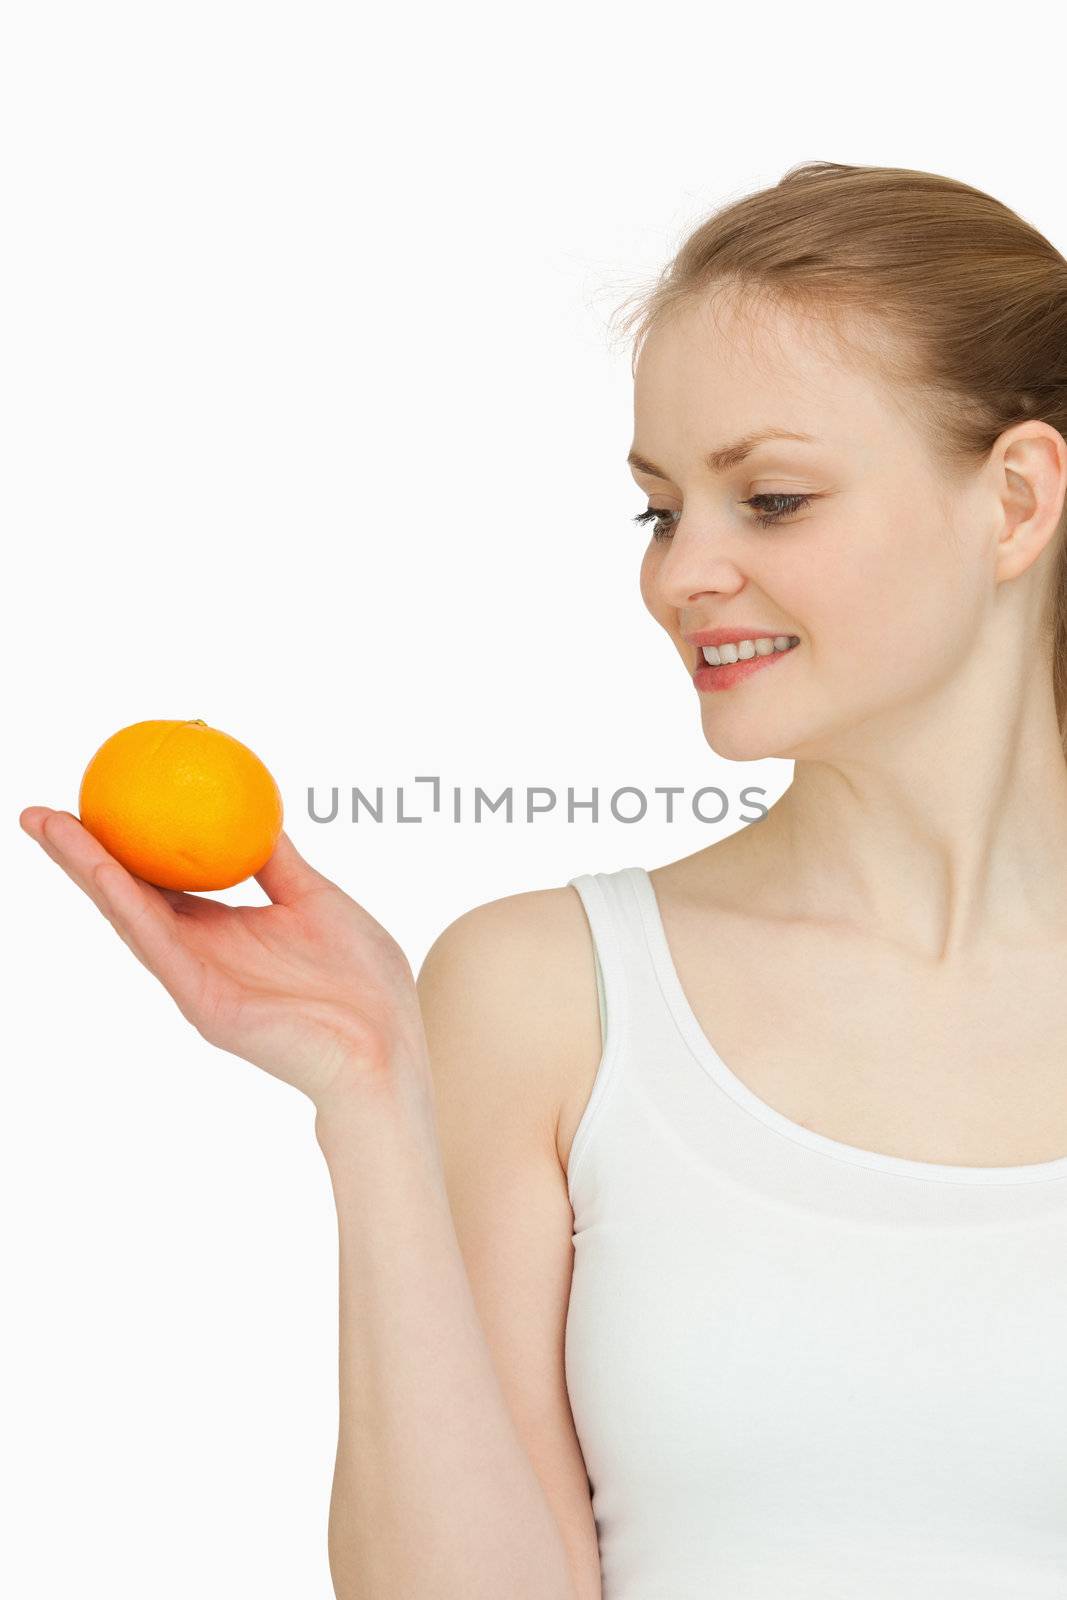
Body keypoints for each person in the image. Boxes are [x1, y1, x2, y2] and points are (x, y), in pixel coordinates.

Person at [19, 158, 1067, 1600]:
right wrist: (373, 1091)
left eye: (768, 499)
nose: (681, 574)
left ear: (1014, 500)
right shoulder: (550, 995)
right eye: (659, 510)